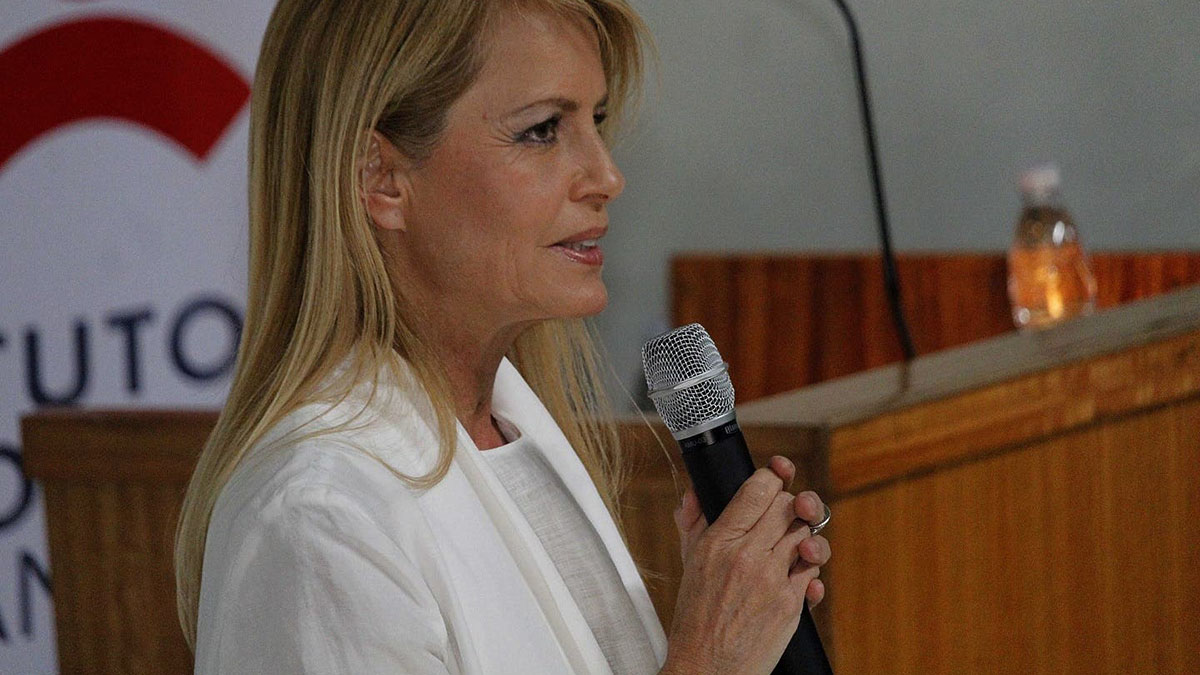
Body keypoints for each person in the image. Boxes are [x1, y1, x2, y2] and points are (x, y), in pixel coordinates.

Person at [173, 1, 833, 673]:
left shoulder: (512, 433)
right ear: (380, 178)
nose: (607, 176)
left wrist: (729, 611)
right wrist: (710, 659)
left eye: (596, 121)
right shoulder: (318, 516)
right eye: (542, 130)